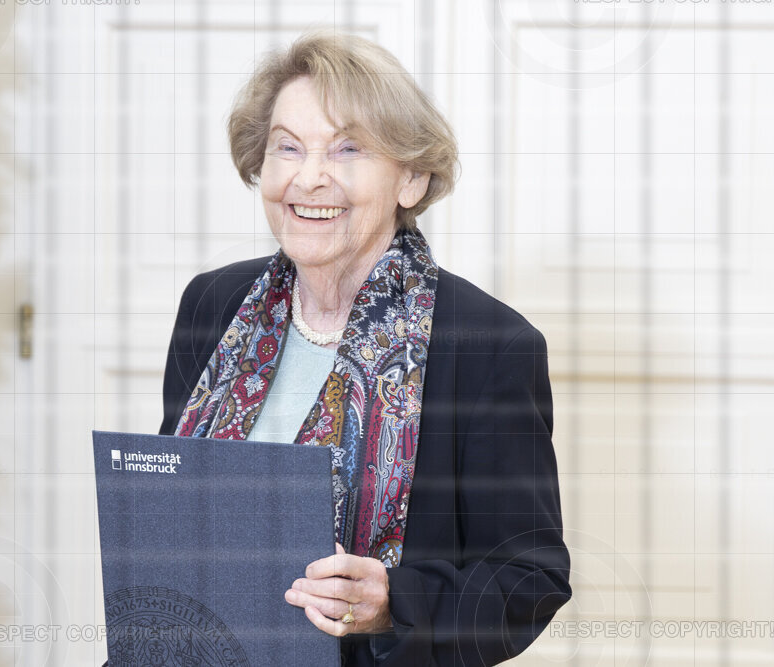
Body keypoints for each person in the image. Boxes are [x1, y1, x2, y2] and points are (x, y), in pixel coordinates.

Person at [158, 30, 571, 666]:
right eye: (287, 148)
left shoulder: (490, 347)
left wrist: (392, 604)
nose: (309, 178)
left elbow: (527, 582)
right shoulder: (213, 305)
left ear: (412, 178)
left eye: (347, 149)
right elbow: (167, 511)